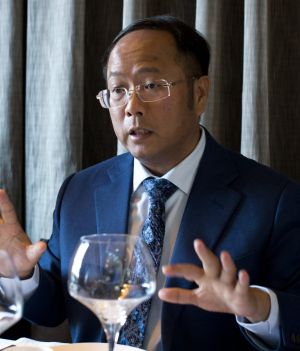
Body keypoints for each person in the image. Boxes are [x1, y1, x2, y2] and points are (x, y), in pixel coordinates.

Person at [0, 15, 300, 351]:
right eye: (118, 90)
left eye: (152, 86)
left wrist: (258, 309)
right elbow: (53, 308)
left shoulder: (274, 200)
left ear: (200, 93)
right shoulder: (81, 190)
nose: (132, 107)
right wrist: (22, 275)